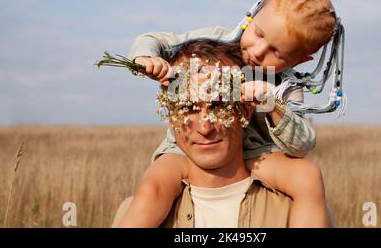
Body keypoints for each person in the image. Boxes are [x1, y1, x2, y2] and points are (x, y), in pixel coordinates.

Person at [122, 0, 340, 227]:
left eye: (276, 52)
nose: (258, 52)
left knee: (308, 177)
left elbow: (302, 145)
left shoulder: (287, 87)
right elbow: (155, 40)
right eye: (259, 34)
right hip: (182, 149)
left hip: (259, 154)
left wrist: (271, 104)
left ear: (300, 60)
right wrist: (145, 57)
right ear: (253, 14)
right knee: (154, 185)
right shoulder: (214, 41)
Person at [112, 40, 330, 228]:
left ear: (245, 109)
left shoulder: (295, 210)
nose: (205, 128)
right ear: (170, 114)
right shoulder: (135, 211)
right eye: (188, 108)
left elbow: (303, 145)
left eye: (218, 106)